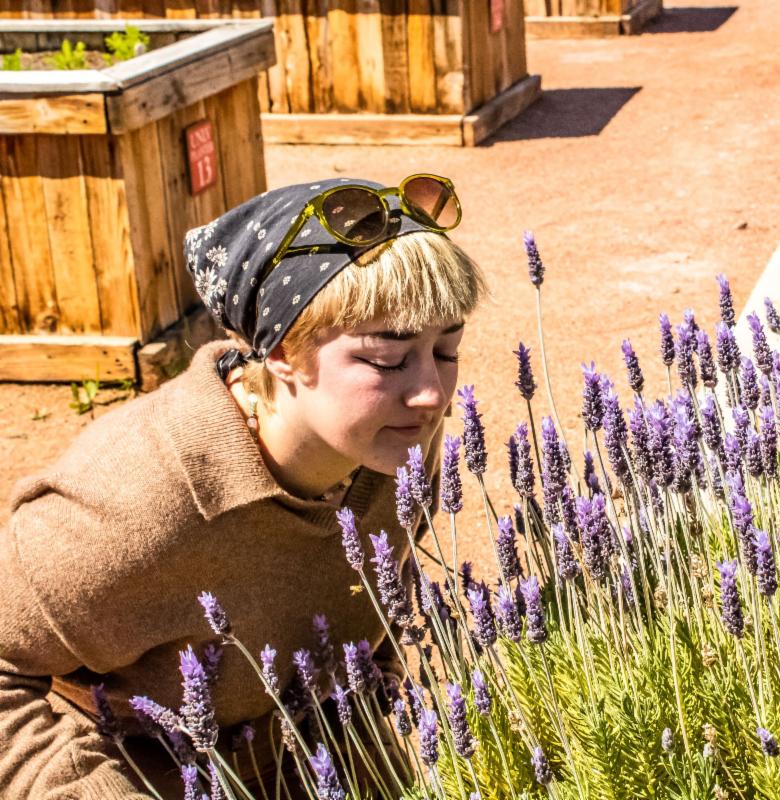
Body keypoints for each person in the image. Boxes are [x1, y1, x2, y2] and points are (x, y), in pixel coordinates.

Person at [0, 175, 485, 798]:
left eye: (447, 351)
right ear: (283, 350)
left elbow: (373, 599)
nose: (432, 396)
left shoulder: (395, 441)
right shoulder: (135, 500)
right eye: (386, 360)